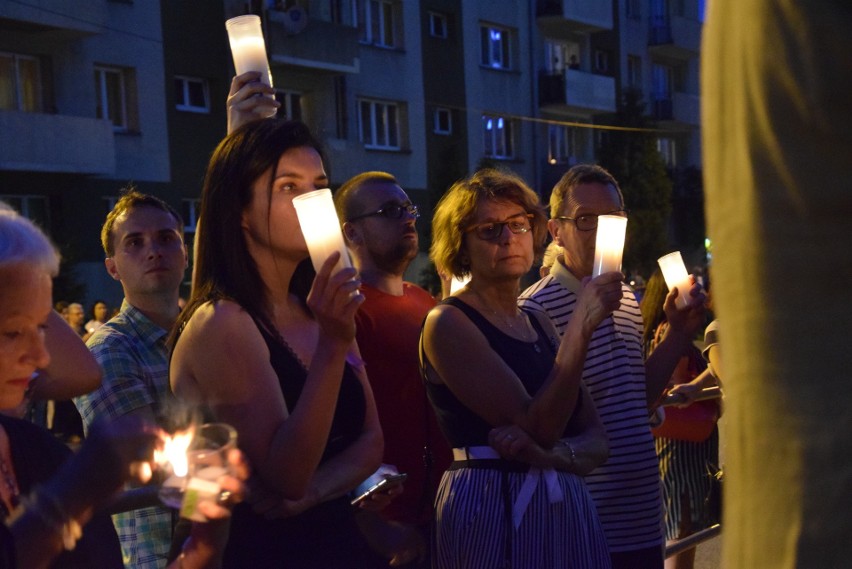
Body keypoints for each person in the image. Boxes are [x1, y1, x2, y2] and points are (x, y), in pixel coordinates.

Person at [169, 119, 384, 568]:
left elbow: (371, 440)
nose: (311, 202)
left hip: (335, 541)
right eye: (289, 187)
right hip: (265, 551)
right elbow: (287, 472)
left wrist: (313, 494)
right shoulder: (223, 322)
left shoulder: (314, 307)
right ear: (240, 211)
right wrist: (332, 344)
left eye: (319, 186)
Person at [0, 203, 246, 569]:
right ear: (111, 267)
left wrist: (205, 539)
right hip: (153, 549)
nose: (41, 358)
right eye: (13, 331)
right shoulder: (113, 349)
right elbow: (160, 469)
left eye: (41, 328)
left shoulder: (34, 451)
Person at [422, 168, 615, 568]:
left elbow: (598, 440)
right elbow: (538, 425)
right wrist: (581, 325)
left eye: (518, 224)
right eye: (489, 229)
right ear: (461, 245)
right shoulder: (448, 323)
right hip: (493, 503)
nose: (509, 238)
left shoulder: (537, 321)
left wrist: (554, 456)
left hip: (562, 503)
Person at [518, 163, 706, 569]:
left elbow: (635, 399)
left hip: (642, 519)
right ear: (556, 231)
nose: (603, 232)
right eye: (586, 220)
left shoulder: (625, 301)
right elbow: (540, 423)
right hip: (582, 523)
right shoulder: (534, 310)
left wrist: (676, 334)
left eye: (614, 219)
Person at [334, 171, 451, 567]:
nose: (407, 218)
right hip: (386, 527)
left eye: (409, 208)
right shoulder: (344, 313)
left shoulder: (425, 302)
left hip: (445, 514)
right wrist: (369, 521)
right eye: (390, 211)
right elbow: (336, 425)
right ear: (352, 233)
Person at [74, 189, 189, 569]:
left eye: (166, 238)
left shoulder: (203, 333)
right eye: (135, 243)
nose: (153, 251)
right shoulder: (109, 349)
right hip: (160, 554)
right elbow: (149, 463)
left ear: (184, 252)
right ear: (112, 268)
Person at [641, 271, 719, 569]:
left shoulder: (658, 334)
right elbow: (674, 385)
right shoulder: (673, 336)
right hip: (682, 456)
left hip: (674, 451)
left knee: (680, 533)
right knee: (681, 533)